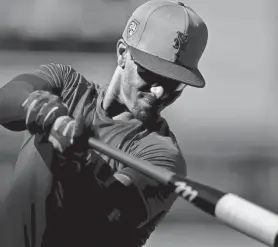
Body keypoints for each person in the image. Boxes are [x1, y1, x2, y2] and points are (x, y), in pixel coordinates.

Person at [0, 1, 208, 246]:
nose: (160, 91)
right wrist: (37, 107)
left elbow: (107, 218)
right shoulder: (67, 86)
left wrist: (77, 163)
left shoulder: (163, 156)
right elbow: (6, 99)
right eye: (151, 72)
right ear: (122, 53)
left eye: (176, 82)